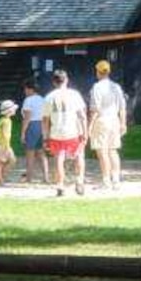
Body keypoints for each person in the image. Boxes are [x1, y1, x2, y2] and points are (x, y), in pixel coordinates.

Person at [43, 69, 88, 197]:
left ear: (54, 82)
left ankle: (60, 185)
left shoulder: (49, 97)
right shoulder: (74, 94)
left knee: (59, 158)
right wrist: (85, 132)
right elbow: (82, 115)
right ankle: (79, 181)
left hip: (56, 131)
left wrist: (45, 136)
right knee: (79, 155)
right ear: (66, 80)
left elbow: (45, 119)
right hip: (72, 131)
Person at [88, 60, 127, 190]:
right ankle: (116, 180)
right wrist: (123, 123)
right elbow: (122, 107)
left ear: (98, 72)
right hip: (114, 120)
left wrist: (89, 126)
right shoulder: (116, 87)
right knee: (113, 150)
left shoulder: (97, 87)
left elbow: (95, 109)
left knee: (102, 151)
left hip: (102, 120)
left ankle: (106, 181)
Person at [20, 78, 49, 184]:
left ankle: (29, 178)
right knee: (41, 154)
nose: (25, 91)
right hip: (41, 125)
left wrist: (23, 133)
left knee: (30, 154)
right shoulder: (43, 99)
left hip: (32, 126)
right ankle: (46, 177)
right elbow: (46, 117)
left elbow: (27, 117)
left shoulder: (28, 100)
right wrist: (45, 132)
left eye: (25, 89)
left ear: (29, 89)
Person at [0, 100, 18, 186]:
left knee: (12, 160)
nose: (15, 111)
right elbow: (5, 134)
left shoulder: (6, 120)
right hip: (2, 144)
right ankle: (0, 180)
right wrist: (6, 147)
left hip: (4, 144)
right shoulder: (6, 121)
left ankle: (1, 177)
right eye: (13, 109)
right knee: (0, 162)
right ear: (9, 111)